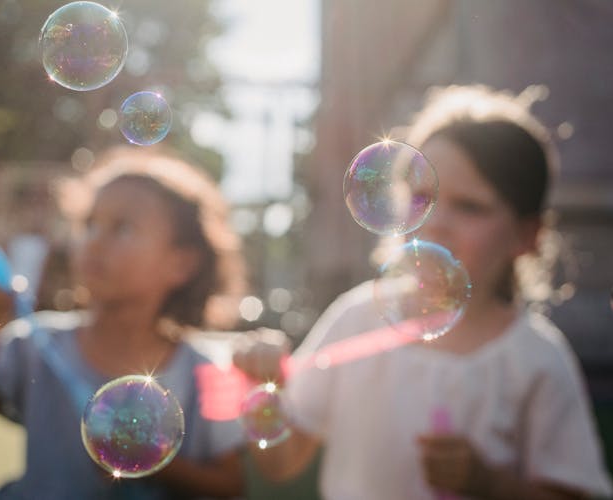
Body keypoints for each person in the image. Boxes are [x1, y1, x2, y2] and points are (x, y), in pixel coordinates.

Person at [234, 85, 613, 499]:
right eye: (421, 197)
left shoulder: (536, 359)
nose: (435, 223)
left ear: (526, 235)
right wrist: (264, 389)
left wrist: (489, 483)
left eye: (469, 206)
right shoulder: (357, 318)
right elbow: (282, 462)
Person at [0, 146, 248, 499]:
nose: (94, 242)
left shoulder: (207, 373)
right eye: (89, 225)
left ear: (181, 264)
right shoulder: (35, 342)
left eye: (123, 228)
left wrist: (151, 460)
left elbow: (230, 486)